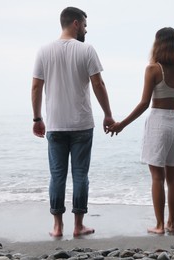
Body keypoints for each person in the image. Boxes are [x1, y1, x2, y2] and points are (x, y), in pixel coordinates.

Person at [31, 7, 114, 238]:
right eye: (85, 25)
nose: (86, 30)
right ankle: (78, 226)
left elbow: (36, 86)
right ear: (76, 23)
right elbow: (99, 85)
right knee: (80, 175)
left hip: (56, 124)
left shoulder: (44, 51)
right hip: (82, 125)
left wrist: (37, 118)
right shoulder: (86, 50)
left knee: (57, 175)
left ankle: (57, 227)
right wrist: (108, 114)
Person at [108, 27, 174, 234]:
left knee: (157, 177)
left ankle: (159, 225)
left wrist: (122, 124)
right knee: (173, 176)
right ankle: (172, 223)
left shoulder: (153, 69)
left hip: (159, 122)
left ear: (158, 44)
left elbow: (145, 103)